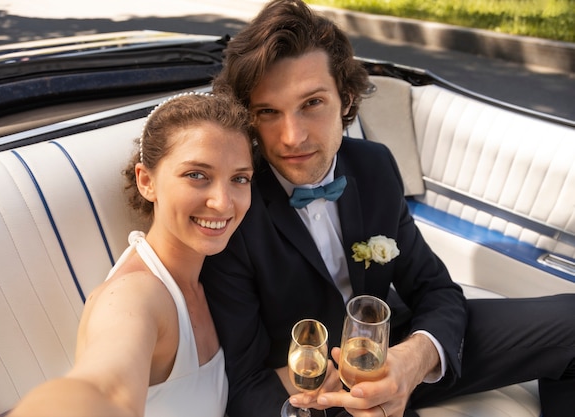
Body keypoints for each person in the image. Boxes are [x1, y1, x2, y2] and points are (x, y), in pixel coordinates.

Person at [200, 1, 575, 417]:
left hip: (397, 347)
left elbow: (435, 288)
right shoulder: (233, 208)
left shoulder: (373, 165)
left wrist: (415, 360)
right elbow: (244, 384)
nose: (292, 137)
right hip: (318, 392)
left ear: (346, 99)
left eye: (312, 103)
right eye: (268, 112)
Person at [8, 92, 255, 417]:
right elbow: (103, 388)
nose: (223, 202)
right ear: (146, 181)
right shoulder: (135, 294)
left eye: (239, 179)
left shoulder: (207, 276)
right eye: (197, 175)